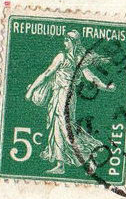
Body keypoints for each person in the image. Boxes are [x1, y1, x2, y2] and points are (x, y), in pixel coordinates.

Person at [25, 30, 114, 175]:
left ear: (72, 42)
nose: (64, 42)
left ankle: (88, 160)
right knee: (57, 129)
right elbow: (50, 73)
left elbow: (49, 73)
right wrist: (106, 87)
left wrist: (31, 90)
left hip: (65, 96)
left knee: (66, 129)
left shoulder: (68, 57)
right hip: (59, 95)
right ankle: (60, 165)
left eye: (66, 40)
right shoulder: (73, 57)